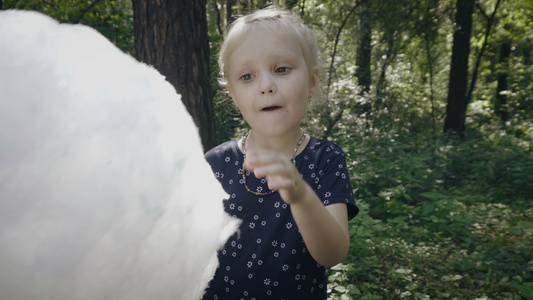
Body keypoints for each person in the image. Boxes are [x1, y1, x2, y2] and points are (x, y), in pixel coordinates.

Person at [202, 6, 358, 300]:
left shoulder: (325, 159)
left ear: (312, 82)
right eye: (247, 76)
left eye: (281, 69)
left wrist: (300, 194)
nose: (266, 86)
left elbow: (332, 254)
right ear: (233, 94)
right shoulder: (215, 163)